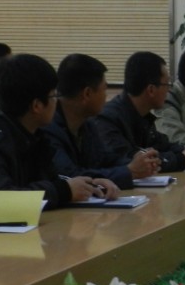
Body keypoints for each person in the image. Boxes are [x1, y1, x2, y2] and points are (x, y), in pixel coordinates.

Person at [0, 54, 112, 233]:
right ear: (37, 106)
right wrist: (64, 191)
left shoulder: (31, 134)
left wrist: (87, 186)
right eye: (53, 96)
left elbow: (48, 181)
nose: (56, 102)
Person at [42, 54, 161, 190]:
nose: (106, 96)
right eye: (104, 89)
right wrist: (129, 171)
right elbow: (71, 176)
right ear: (87, 94)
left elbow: (106, 160)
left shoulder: (87, 124)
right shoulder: (48, 128)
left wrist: (139, 164)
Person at [93, 51, 185, 172]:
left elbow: (163, 145)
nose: (168, 90)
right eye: (166, 84)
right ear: (151, 90)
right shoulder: (107, 119)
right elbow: (129, 162)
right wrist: (182, 160)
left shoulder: (143, 115)